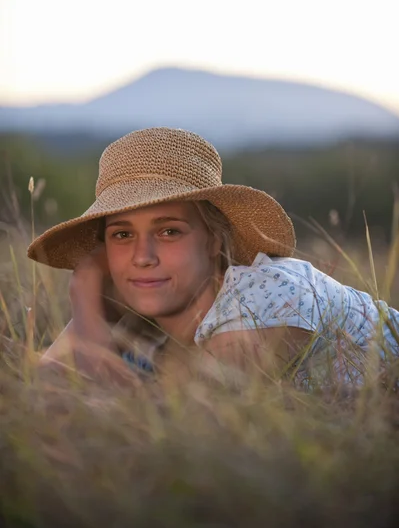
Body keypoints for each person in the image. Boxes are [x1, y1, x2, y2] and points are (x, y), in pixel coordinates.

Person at [28, 127, 399, 388]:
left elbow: (177, 422)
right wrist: (90, 300)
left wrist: (87, 311)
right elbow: (45, 393)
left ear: (213, 241)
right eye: (122, 235)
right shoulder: (142, 316)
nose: (142, 256)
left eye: (169, 231)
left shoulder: (268, 295)